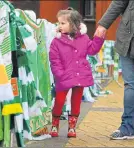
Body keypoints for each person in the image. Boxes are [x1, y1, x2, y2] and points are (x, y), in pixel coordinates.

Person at [49, 7, 104, 138]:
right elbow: (54, 60)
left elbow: (91, 50)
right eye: (59, 23)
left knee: (76, 101)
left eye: (63, 23)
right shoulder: (56, 41)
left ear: (73, 24)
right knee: (59, 101)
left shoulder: (83, 38)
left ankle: (72, 127)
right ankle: (55, 123)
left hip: (80, 74)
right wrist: (60, 74)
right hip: (64, 76)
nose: (59, 26)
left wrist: (98, 38)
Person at [95, 1, 134, 140]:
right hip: (128, 40)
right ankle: (127, 128)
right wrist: (104, 24)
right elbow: (119, 2)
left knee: (131, 85)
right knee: (131, 85)